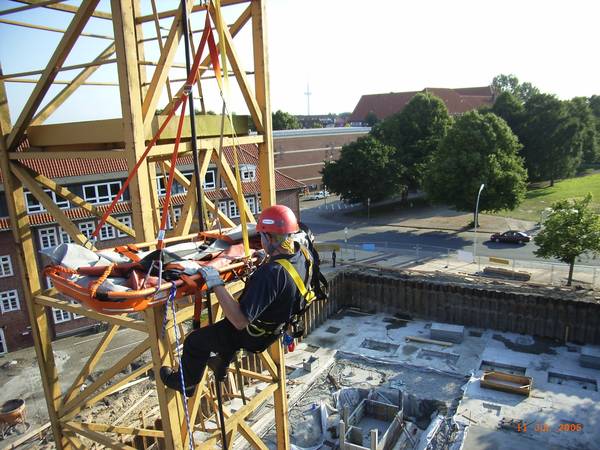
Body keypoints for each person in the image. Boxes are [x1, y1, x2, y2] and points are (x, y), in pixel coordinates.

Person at [160, 204, 313, 395]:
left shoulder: (271, 275)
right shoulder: (303, 254)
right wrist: (265, 257)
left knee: (195, 342)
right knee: (221, 332)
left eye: (262, 237)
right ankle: (220, 364)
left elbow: (240, 321)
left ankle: (187, 384)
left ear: (270, 238)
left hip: (252, 335)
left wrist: (216, 283)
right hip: (275, 327)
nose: (260, 240)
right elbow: (285, 274)